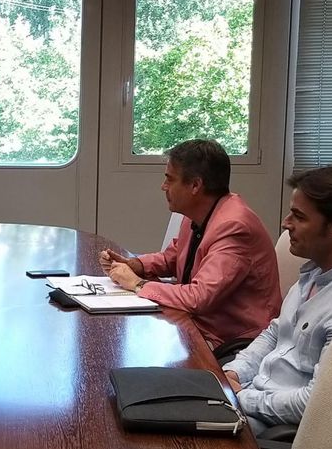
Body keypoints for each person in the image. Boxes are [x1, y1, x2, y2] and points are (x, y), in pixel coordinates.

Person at [222, 165, 332, 435]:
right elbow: (275, 333)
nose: (285, 223)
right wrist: (235, 373)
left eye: (299, 216)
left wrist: (241, 397)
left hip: (277, 431)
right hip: (252, 400)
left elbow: (318, 404)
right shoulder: (316, 272)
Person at [100, 139, 281, 346]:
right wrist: (136, 265)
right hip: (197, 325)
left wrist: (137, 283)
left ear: (195, 185)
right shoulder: (199, 212)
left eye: (170, 179)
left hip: (233, 341)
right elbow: (174, 257)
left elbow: (198, 298)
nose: (163, 186)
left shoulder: (234, 226)